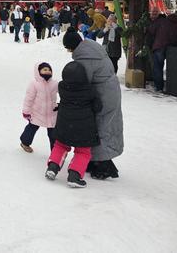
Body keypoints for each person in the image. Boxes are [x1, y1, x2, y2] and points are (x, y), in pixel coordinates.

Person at [62, 28, 123, 180]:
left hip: (103, 95)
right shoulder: (91, 48)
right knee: (103, 125)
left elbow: (82, 83)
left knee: (100, 127)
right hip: (110, 91)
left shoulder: (85, 59)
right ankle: (95, 160)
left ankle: (103, 166)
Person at [45, 61, 102, 188]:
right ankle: (74, 175)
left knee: (60, 145)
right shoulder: (90, 90)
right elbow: (98, 107)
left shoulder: (62, 87)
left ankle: (53, 167)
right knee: (83, 151)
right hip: (84, 127)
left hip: (64, 123)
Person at [20, 62, 57, 153]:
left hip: (51, 113)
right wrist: (26, 111)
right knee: (31, 129)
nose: (47, 71)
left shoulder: (55, 83)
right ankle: (25, 142)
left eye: (49, 70)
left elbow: (63, 92)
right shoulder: (34, 84)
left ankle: (55, 153)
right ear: (38, 71)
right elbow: (29, 98)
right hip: (37, 113)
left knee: (53, 134)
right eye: (45, 69)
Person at [145, 7, 170, 92]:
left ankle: (159, 87)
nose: (153, 14)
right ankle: (161, 85)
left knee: (157, 67)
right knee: (161, 66)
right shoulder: (165, 21)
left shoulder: (156, 22)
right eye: (153, 12)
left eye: (154, 12)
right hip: (166, 46)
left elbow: (151, 31)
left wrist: (150, 24)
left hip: (158, 46)